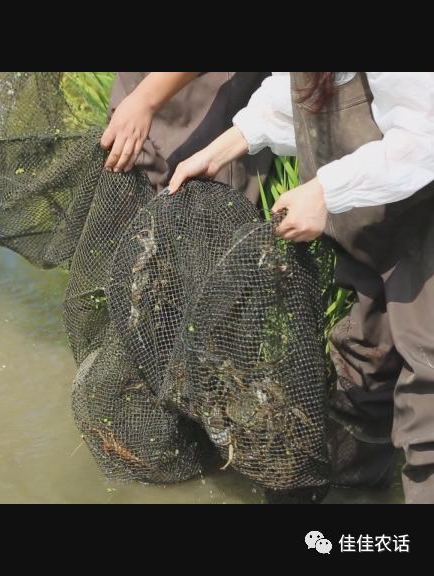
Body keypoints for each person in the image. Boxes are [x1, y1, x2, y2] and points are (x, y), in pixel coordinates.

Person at [167, 72, 434, 504]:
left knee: (428, 402)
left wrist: (326, 192)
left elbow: (425, 137)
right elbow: (303, 89)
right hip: (379, 234)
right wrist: (226, 145)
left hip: (424, 232)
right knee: (365, 363)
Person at [102, 72, 272, 201]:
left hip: (203, 95)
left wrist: (145, 99)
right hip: (138, 89)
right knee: (129, 191)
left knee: (195, 201)